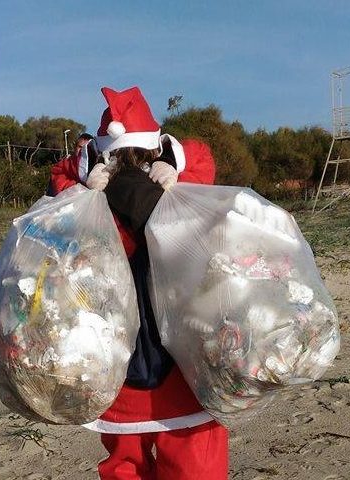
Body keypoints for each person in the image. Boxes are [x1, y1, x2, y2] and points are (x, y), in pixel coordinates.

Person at [50, 86, 228, 480]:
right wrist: (85, 176)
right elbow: (202, 158)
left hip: (119, 361)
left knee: (127, 464)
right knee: (193, 461)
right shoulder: (178, 190)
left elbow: (197, 155)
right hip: (184, 360)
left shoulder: (163, 185)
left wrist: (85, 178)